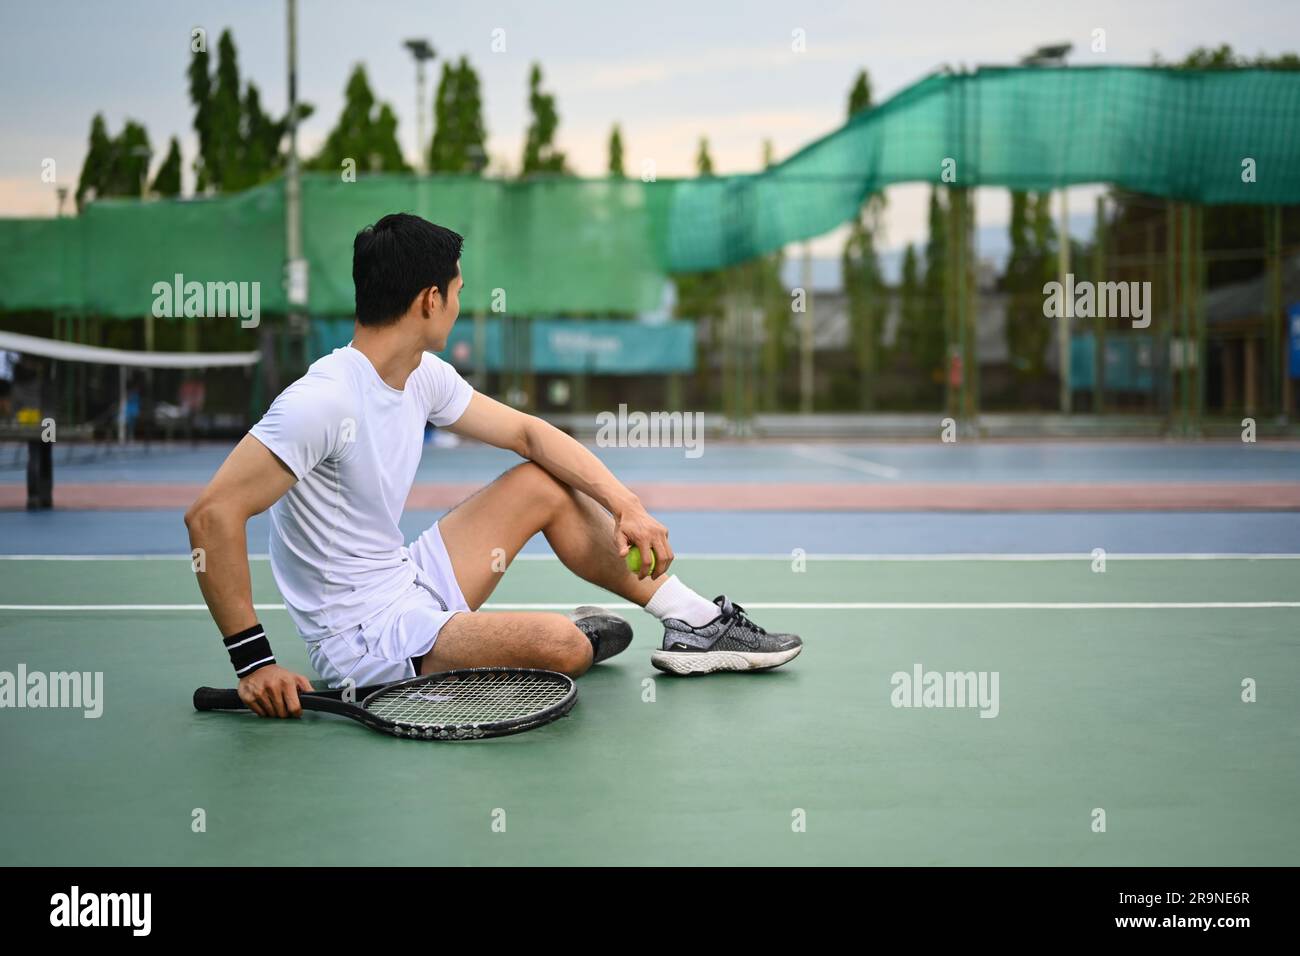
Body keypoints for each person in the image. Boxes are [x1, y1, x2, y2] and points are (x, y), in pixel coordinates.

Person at [185, 214, 801, 718]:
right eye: (457, 292)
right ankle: (560, 638)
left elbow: (529, 435)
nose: (460, 302)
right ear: (430, 300)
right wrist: (255, 663)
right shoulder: (324, 399)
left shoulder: (419, 376)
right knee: (561, 645)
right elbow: (212, 515)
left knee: (540, 484)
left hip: (406, 580)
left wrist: (627, 505)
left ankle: (693, 622)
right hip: (364, 640)